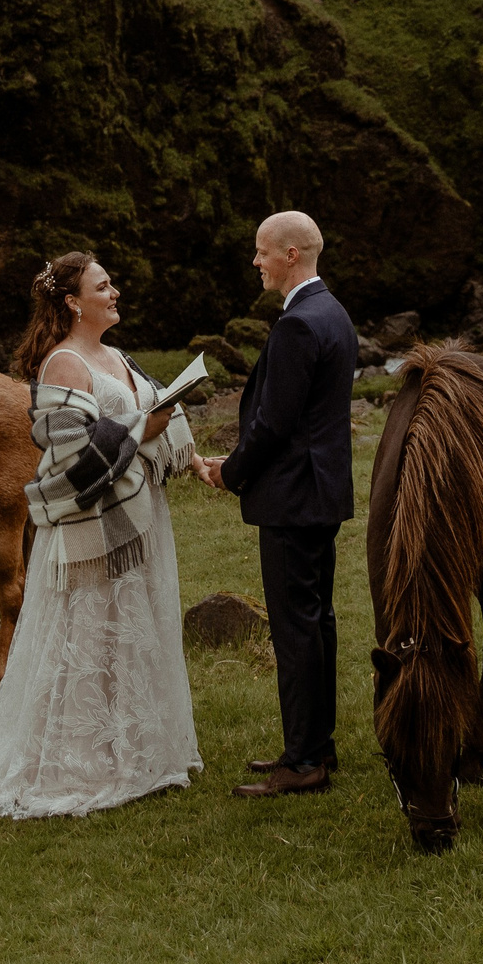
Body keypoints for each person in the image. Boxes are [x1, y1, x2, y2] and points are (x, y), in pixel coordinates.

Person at [0, 251, 202, 817]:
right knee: (90, 634)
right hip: (91, 523)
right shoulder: (62, 365)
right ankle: (77, 763)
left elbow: (157, 412)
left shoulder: (118, 356)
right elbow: (70, 455)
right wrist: (146, 427)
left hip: (143, 517)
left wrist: (194, 458)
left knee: (131, 629)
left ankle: (134, 754)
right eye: (104, 285)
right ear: (73, 302)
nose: (115, 292)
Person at [194, 210, 355, 798]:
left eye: (262, 252)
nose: (255, 262)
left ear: (291, 254)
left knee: (296, 630)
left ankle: (305, 761)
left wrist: (228, 472)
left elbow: (273, 425)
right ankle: (318, 746)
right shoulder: (332, 312)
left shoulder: (298, 325)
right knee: (317, 624)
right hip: (321, 494)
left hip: (293, 499)